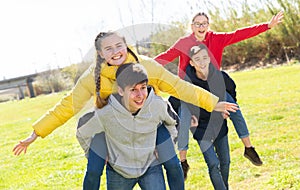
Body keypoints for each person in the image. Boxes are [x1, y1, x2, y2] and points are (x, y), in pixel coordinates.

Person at [13, 31, 238, 190]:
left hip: (150, 123)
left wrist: (212, 102)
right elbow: (66, 106)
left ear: (126, 46)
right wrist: (36, 133)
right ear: (100, 53)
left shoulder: (147, 66)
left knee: (172, 163)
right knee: (95, 168)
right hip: (114, 129)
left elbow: (179, 87)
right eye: (108, 49)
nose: (115, 51)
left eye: (119, 46)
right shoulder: (93, 78)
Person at [154, 11, 283, 176]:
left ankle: (249, 148)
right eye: (197, 23)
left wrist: (267, 26)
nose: (201, 26)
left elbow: (239, 34)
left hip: (214, 86)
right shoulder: (184, 43)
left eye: (204, 23)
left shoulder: (216, 39)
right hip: (190, 89)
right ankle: (183, 161)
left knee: (234, 108)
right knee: (184, 120)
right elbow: (165, 57)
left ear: (208, 25)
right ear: (192, 26)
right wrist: (140, 65)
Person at [77, 63, 178, 190]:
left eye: (143, 87)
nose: (140, 95)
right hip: (119, 172)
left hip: (150, 167)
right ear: (120, 91)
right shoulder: (106, 114)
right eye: (133, 90)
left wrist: (169, 144)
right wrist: (92, 152)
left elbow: (173, 122)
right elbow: (82, 131)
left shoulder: (157, 105)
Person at [182, 44, 231, 189]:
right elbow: (176, 101)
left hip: (218, 123)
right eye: (197, 59)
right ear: (191, 63)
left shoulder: (218, 76)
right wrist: (190, 116)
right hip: (200, 126)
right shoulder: (186, 81)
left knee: (225, 161)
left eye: (205, 57)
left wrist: (225, 107)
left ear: (209, 59)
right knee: (213, 163)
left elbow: (231, 90)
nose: (202, 62)